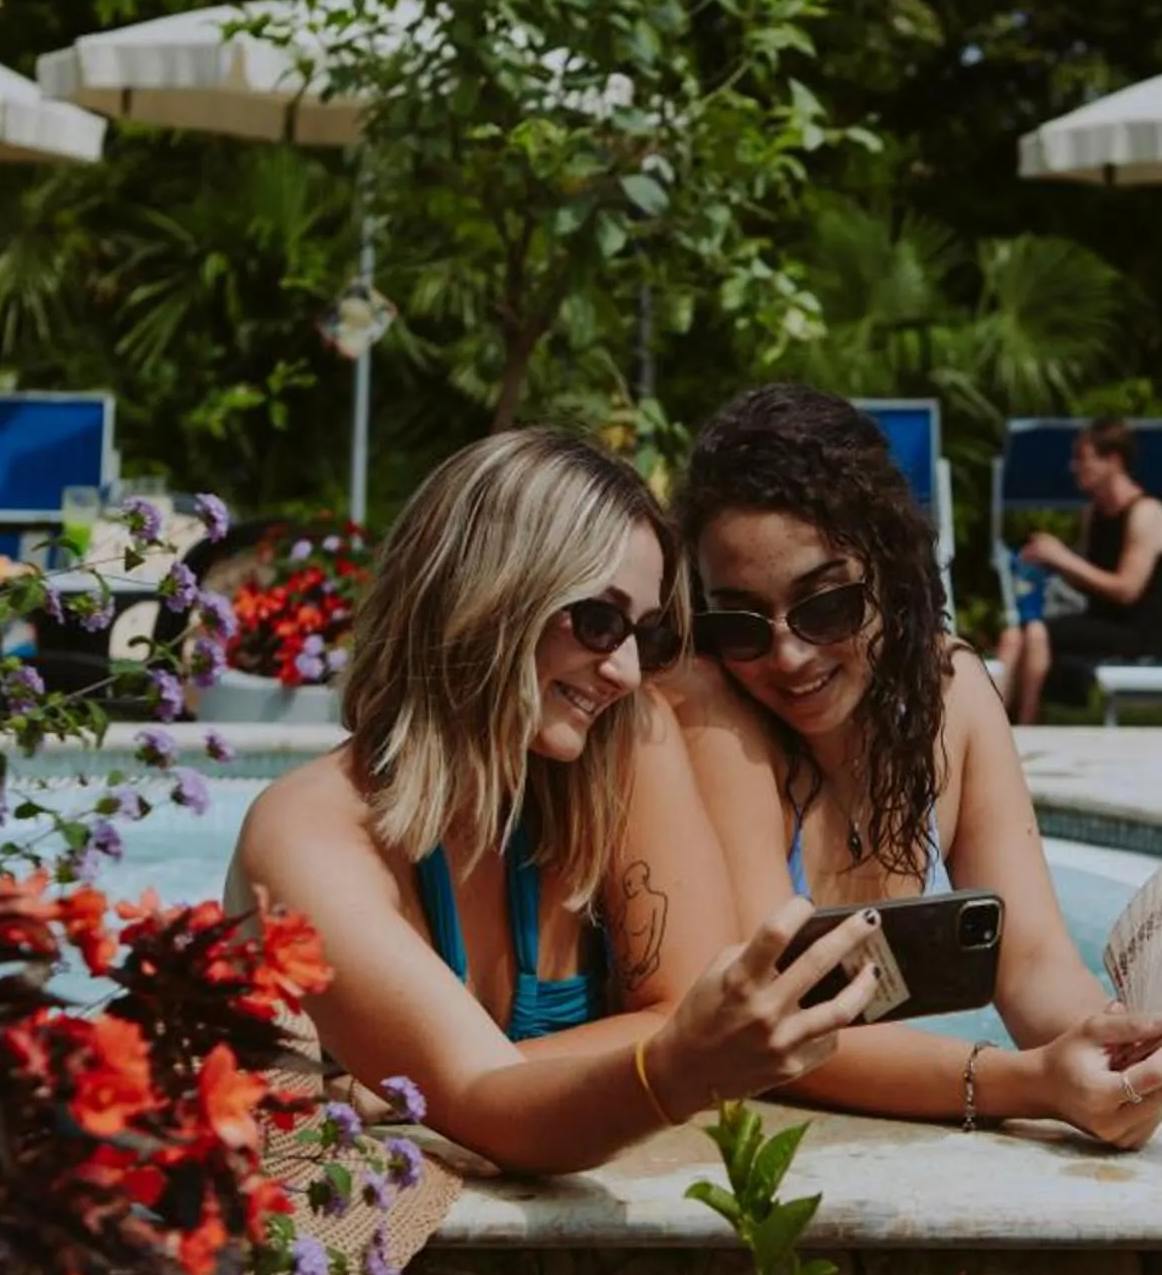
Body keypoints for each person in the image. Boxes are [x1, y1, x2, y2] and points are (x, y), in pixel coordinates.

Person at [226, 429, 885, 1175]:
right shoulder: (310, 839)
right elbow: (495, 1106)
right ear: (489, 596)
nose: (629, 671)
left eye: (647, 631)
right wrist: (665, 1070)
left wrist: (437, 1086)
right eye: (600, 621)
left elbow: (677, 1014)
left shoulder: (617, 749)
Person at [662, 384, 1162, 1149]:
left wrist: (1110, 1045)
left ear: (890, 565)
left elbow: (1033, 959)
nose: (786, 655)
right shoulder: (717, 718)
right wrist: (1033, 1082)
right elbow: (771, 1024)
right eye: (740, 622)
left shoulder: (953, 697)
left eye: (826, 607)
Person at [994, 417, 1162, 724]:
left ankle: (1024, 727)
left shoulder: (1146, 514)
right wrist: (1050, 562)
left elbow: (1126, 590)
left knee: (1038, 634)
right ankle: (992, 726)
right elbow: (1091, 580)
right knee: (1014, 635)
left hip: (1144, 632)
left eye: (1082, 458)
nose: (1073, 467)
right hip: (1103, 623)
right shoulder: (1093, 514)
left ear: (1112, 461)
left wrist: (1062, 558)